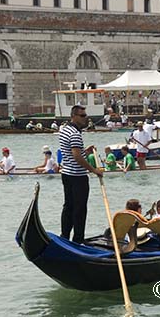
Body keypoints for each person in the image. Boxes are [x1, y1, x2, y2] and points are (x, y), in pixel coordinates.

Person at [59, 104, 103, 244]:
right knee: (80, 209)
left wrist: (86, 152)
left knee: (69, 206)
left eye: (85, 115)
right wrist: (94, 170)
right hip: (77, 176)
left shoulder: (64, 130)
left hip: (66, 173)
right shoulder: (75, 134)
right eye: (82, 116)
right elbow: (77, 157)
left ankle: (64, 236)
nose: (86, 118)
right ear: (74, 116)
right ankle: (78, 240)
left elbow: (73, 154)